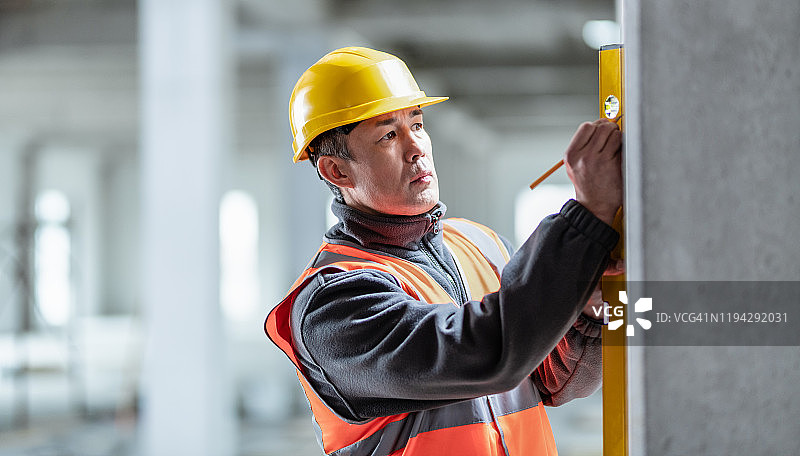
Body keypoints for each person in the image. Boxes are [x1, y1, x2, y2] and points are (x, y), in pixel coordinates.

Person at [265, 46, 623, 456]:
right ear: (337, 170)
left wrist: (585, 308)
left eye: (417, 124)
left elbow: (557, 380)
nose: (415, 147)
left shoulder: (481, 245)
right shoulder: (334, 304)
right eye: (388, 135)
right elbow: (490, 352)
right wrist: (585, 220)